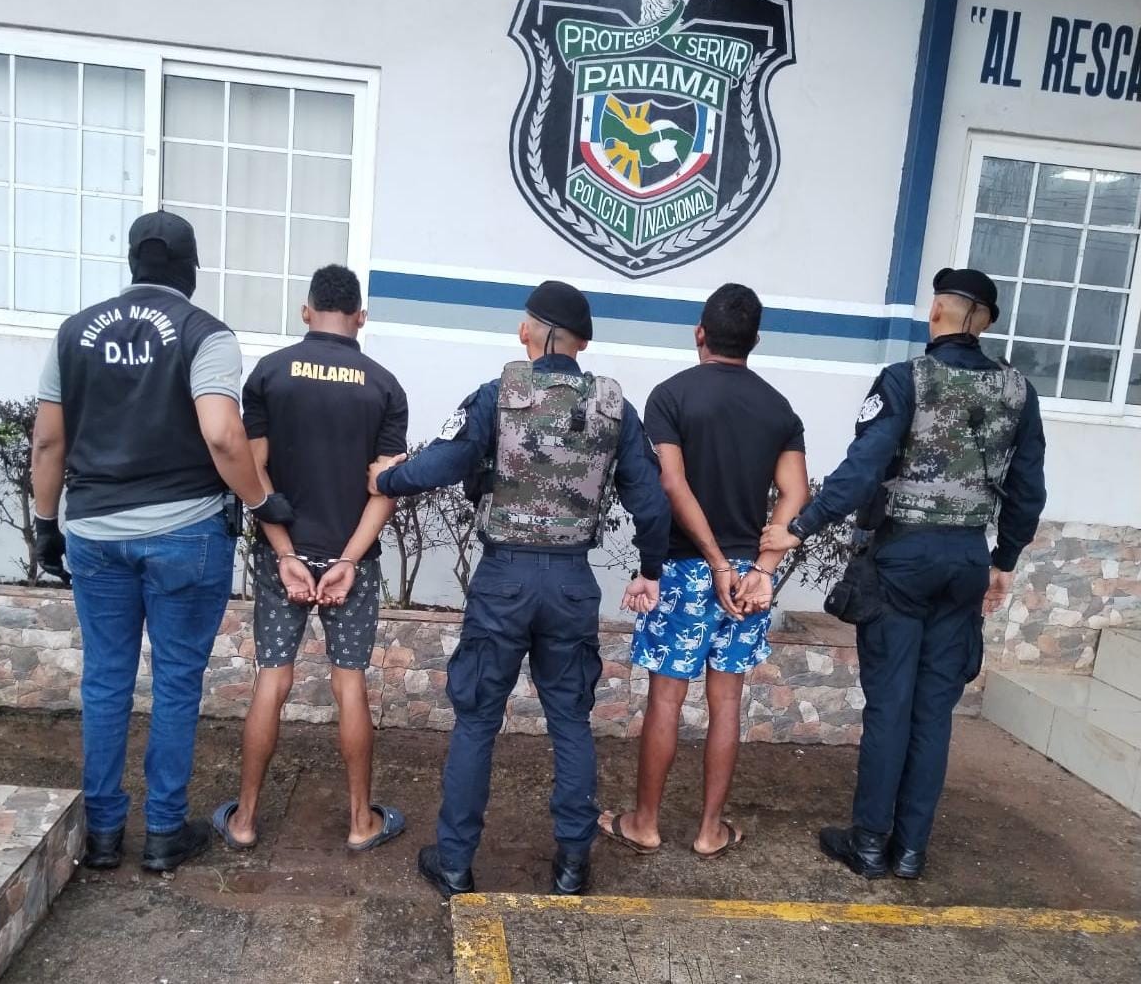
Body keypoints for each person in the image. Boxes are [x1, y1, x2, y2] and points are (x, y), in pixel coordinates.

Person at [370, 281, 670, 897]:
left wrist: (388, 480)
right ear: (581, 342)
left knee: (477, 720)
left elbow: (448, 460)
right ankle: (573, 865)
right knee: (571, 721)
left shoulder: (498, 393)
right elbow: (651, 500)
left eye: (523, 323)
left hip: (504, 579)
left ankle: (455, 862)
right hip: (571, 583)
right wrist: (650, 569)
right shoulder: (614, 405)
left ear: (532, 332)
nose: (519, 331)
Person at [30, 211, 295, 873]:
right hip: (185, 533)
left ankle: (101, 835)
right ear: (189, 270)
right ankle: (162, 834)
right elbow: (223, 436)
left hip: (95, 532)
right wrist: (262, 502)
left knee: (105, 680)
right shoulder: (205, 333)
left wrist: (45, 524)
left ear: (132, 263)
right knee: (176, 683)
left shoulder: (72, 334)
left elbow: (49, 442)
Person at [761, 268, 1046, 880]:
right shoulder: (1019, 392)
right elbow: (1027, 490)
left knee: (890, 706)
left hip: (903, 559)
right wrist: (1004, 560)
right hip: (966, 558)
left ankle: (869, 843)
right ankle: (911, 851)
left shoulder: (904, 379)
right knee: (933, 712)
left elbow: (863, 468)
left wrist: (800, 527)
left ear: (937, 312)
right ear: (985, 322)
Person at [600, 283, 810, 859]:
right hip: (748, 580)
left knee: (666, 700)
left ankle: (644, 823)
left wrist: (715, 561)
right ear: (755, 341)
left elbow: (671, 483)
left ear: (700, 333)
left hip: (687, 569)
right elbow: (796, 494)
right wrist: (761, 566)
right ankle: (710, 830)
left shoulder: (671, 396)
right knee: (727, 703)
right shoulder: (778, 408)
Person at [212, 265, 409, 853]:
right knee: (350, 684)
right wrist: (348, 559)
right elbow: (385, 488)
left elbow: (253, 471)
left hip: (283, 558)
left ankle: (245, 820)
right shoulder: (385, 386)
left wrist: (284, 552)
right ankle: (360, 823)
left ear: (306, 311)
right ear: (360, 318)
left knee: (272, 678)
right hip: (354, 562)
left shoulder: (270, 374)